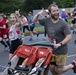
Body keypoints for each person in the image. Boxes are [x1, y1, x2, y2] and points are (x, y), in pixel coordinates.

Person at [32, 4, 76, 75]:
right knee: (52, 68)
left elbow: (69, 36)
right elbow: (34, 21)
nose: (56, 12)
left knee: (58, 70)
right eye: (54, 11)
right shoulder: (47, 21)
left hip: (61, 50)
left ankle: (72, 65)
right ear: (50, 13)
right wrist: (38, 14)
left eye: (57, 10)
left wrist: (60, 44)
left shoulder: (63, 23)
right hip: (52, 50)